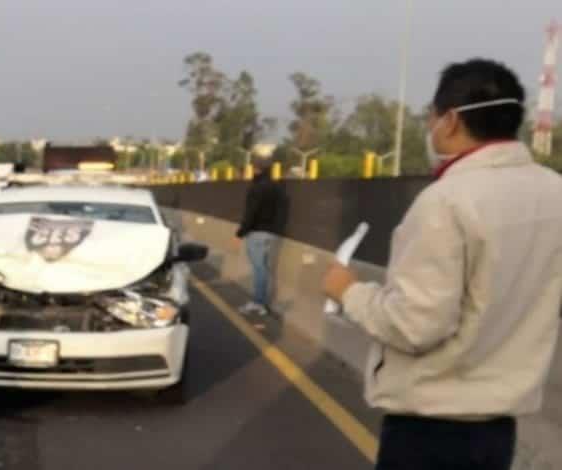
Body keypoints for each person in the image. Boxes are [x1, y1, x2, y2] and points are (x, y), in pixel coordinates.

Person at [323, 58, 562, 470]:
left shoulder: (446, 201)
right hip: (498, 430)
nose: (429, 126)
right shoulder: (553, 192)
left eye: (430, 117)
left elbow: (416, 325)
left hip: (431, 434)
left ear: (450, 120)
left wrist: (349, 290)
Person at [236, 156, 284, 316]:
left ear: (257, 169)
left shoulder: (256, 187)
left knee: (259, 269)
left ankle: (258, 303)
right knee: (264, 268)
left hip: (256, 233)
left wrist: (241, 231)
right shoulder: (276, 187)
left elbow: (251, 212)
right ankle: (261, 301)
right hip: (271, 233)